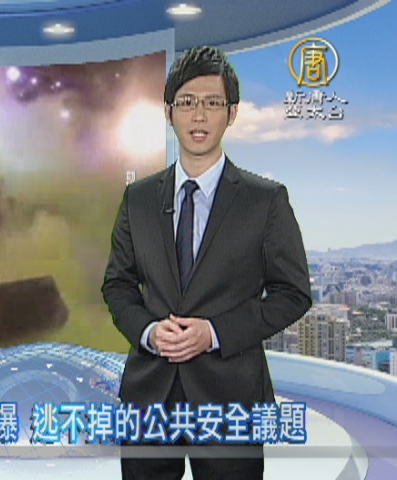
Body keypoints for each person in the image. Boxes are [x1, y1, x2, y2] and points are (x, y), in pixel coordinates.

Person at [101, 46, 312, 480]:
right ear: (168, 112)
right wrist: (149, 332)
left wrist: (213, 333)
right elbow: (117, 285)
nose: (199, 115)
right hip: (149, 398)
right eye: (187, 102)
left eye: (212, 103)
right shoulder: (138, 199)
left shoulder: (266, 201)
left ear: (232, 113)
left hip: (231, 399)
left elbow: (293, 294)